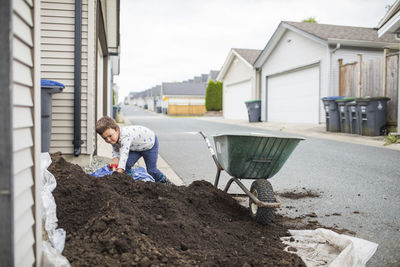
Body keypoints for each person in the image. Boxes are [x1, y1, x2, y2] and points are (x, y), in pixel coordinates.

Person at [95, 116, 172, 184]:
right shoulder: (113, 138)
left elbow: (124, 154)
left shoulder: (125, 136)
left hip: (149, 145)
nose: (108, 139)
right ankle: (129, 182)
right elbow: (115, 150)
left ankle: (165, 182)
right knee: (127, 165)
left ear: (117, 129)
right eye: (105, 138)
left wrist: (119, 170)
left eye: (110, 136)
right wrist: (115, 159)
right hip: (136, 148)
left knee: (151, 171)